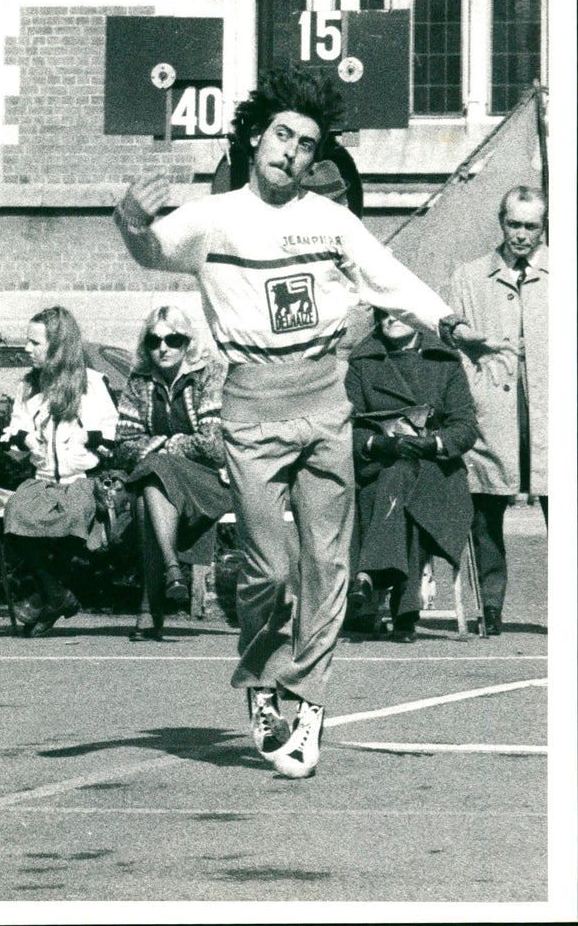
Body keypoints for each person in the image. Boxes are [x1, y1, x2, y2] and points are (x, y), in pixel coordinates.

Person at [113, 64, 509, 778]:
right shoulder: (214, 219)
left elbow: (391, 277)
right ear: (256, 137)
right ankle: (262, 675)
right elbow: (151, 251)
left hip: (324, 398)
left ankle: (305, 707)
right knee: (270, 567)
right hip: (252, 403)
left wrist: (449, 321)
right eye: (282, 135)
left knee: (329, 565)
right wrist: (129, 219)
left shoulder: (330, 221)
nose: (291, 152)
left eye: (306, 145)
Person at [449, 185, 548, 635]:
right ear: (500, 221)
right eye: (514, 224)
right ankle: (490, 610)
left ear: (543, 227)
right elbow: (451, 340)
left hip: (549, 410)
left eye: (531, 226)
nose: (521, 235)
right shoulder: (468, 276)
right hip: (493, 409)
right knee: (485, 512)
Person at [344, 310, 478, 642]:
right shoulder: (362, 362)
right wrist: (376, 443)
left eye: (398, 313)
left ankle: (368, 575)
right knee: (402, 485)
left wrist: (433, 443)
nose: (390, 320)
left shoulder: (444, 360)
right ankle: (405, 610)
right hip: (377, 467)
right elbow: (346, 425)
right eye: (383, 314)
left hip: (437, 469)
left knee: (403, 482)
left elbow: (465, 425)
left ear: (417, 317)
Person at [115, 305, 231, 641]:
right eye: (154, 341)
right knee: (149, 487)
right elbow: (122, 446)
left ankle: (152, 602)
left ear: (188, 343)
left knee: (153, 470)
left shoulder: (209, 374)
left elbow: (215, 447)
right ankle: (170, 574)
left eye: (173, 339)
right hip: (160, 484)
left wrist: (162, 445)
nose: (163, 348)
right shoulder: (138, 383)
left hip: (210, 482)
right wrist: (169, 451)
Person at [2, 306, 118, 636]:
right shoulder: (28, 387)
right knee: (16, 514)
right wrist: (27, 441)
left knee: (77, 514)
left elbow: (111, 435)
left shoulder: (92, 384)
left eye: (34, 343)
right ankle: (55, 594)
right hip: (41, 480)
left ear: (57, 346)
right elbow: (13, 434)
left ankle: (45, 597)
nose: (27, 349)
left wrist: (88, 437)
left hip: (81, 479)